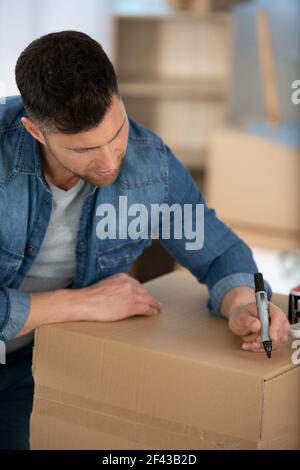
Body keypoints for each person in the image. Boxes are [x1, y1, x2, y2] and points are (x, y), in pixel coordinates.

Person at [0, 31, 290, 449]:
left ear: (119, 98)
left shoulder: (150, 160)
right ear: (35, 130)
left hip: (47, 365)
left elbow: (219, 250)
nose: (109, 161)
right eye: (83, 150)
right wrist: (80, 303)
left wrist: (242, 301)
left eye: (114, 134)